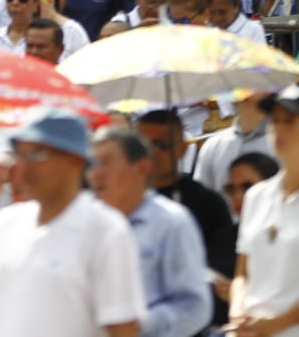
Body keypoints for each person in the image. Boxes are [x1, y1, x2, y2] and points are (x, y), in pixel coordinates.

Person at [0, 107, 146, 337]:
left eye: (37, 154)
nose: (23, 166)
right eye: (19, 154)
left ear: (74, 160)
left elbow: (122, 329)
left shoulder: (105, 231)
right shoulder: (6, 223)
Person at [87, 127, 213, 337]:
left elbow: (195, 308)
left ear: (141, 168)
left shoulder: (172, 223)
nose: (96, 174)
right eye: (92, 164)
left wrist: (136, 323)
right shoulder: (83, 223)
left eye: (106, 163)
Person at [231, 91, 299, 337]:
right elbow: (242, 274)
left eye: (290, 121)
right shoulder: (256, 196)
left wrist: (278, 323)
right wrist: (237, 314)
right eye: (275, 121)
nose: (279, 129)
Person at [135, 109, 234, 256]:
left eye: (161, 145)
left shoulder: (208, 204)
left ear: (182, 149)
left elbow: (222, 259)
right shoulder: (123, 200)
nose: (152, 153)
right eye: (143, 146)